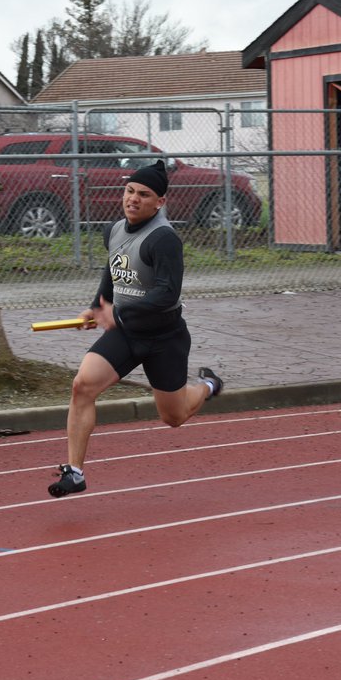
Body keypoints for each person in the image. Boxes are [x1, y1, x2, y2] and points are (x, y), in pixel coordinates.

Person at [48, 160, 223, 498]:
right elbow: (114, 270)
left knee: (174, 417)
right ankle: (75, 472)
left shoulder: (164, 239)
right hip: (126, 334)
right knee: (82, 386)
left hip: (164, 338)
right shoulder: (113, 230)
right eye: (129, 191)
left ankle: (208, 384)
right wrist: (97, 306)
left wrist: (122, 313)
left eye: (144, 195)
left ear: (159, 202)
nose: (133, 199)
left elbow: (166, 293)